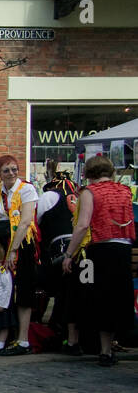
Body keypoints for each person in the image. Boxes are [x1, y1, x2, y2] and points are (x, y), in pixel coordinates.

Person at [64, 154, 134, 367]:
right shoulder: (125, 190)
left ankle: (101, 348)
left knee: (98, 296)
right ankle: (110, 346)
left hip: (100, 249)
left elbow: (83, 224)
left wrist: (69, 254)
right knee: (118, 297)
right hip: (124, 249)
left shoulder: (89, 192)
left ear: (88, 173)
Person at [0, 155, 38, 356]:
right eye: (6, 170)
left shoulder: (26, 189)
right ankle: (2, 338)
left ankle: (23, 339)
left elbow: (25, 222)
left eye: (14, 169)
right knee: (2, 288)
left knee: (22, 290)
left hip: (21, 245)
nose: (11, 173)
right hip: (2, 245)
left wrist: (13, 250)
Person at [37, 163, 82, 353]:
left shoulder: (49, 196)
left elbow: (37, 223)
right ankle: (71, 336)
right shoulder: (80, 197)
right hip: (82, 251)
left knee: (61, 293)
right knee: (74, 294)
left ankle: (59, 332)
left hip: (59, 252)